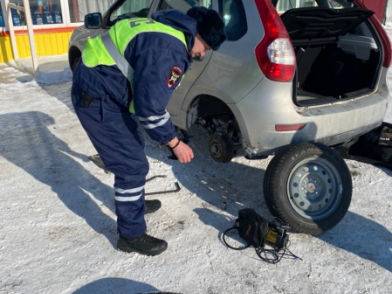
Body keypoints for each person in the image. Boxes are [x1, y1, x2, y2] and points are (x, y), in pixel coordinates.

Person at [71, 7, 226, 256]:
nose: (204, 53)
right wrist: (175, 143)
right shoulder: (169, 49)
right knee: (131, 166)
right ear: (197, 33)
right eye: (207, 46)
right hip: (98, 98)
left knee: (134, 149)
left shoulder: (163, 28)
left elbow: (147, 96)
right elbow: (150, 110)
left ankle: (134, 202)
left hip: (103, 87)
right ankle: (130, 235)